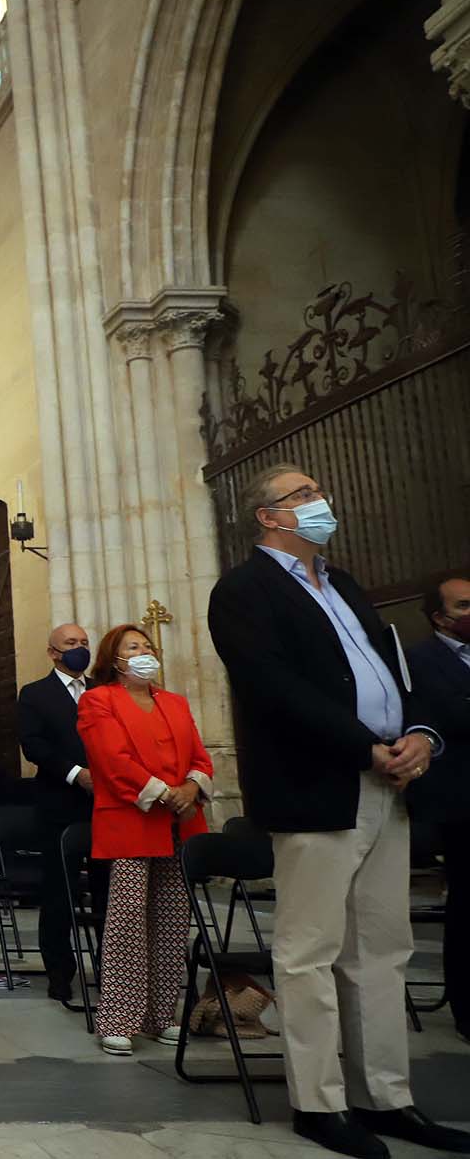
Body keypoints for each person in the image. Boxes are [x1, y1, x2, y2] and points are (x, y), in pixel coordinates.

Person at [209, 464, 465, 1159]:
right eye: (302, 495)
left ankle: (386, 1097)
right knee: (309, 952)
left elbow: (393, 672)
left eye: (319, 491)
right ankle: (317, 1103)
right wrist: (363, 746)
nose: (321, 503)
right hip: (317, 786)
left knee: (382, 950)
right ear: (268, 516)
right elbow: (273, 688)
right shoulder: (242, 591)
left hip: (389, 784)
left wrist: (420, 735)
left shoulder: (344, 584)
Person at [76, 624, 210, 1056]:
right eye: (133, 647)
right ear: (115, 659)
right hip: (134, 818)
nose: (143, 652)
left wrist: (191, 788)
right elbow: (111, 760)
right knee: (128, 922)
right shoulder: (99, 700)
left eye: (148, 645)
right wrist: (163, 793)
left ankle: (161, 1014)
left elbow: (199, 756)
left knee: (172, 921)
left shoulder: (174, 702)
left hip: (180, 820)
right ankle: (118, 1018)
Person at [17, 623, 108, 1008]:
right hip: (59, 803)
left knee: (108, 892)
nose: (80, 649)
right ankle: (59, 971)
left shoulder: (103, 692)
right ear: (54, 652)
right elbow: (34, 745)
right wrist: (76, 774)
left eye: (85, 643)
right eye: (71, 643)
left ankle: (113, 969)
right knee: (60, 892)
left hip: (105, 806)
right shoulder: (36, 694)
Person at [405, 570, 470, 1045]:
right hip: (458, 802)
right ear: (439, 618)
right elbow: (440, 718)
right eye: (464, 607)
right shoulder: (420, 660)